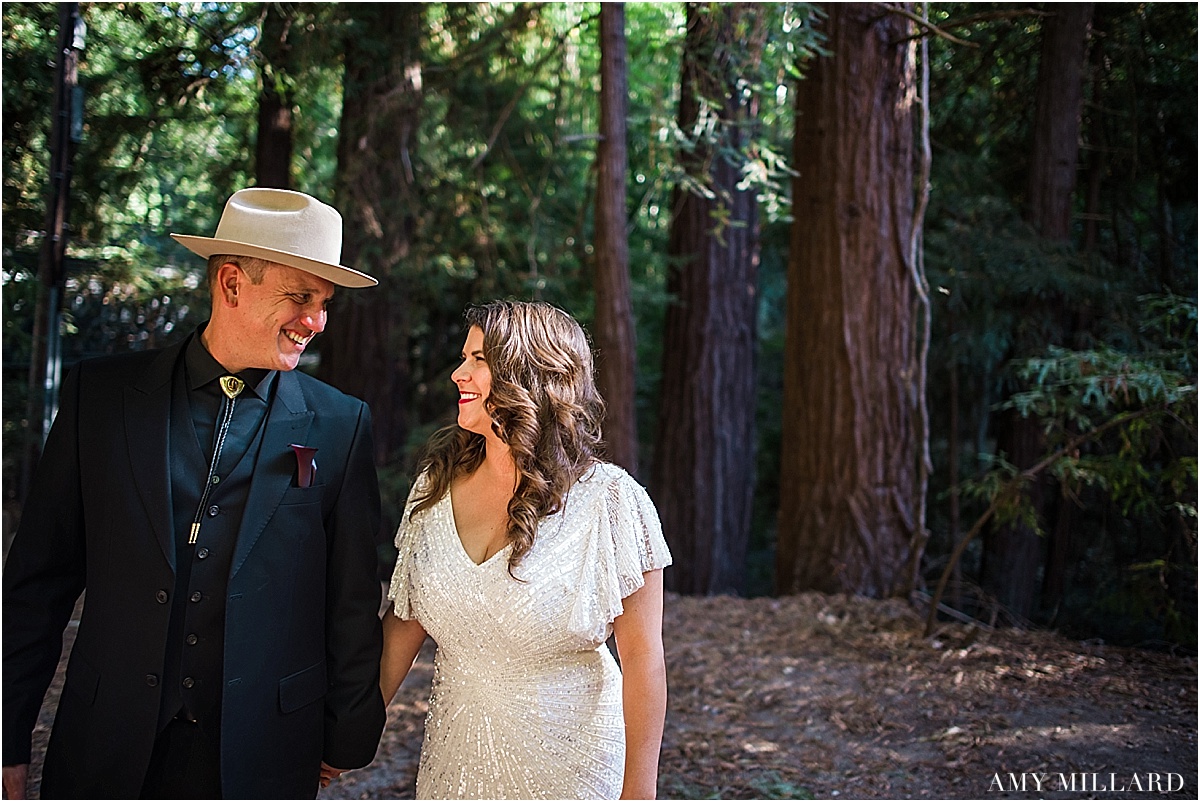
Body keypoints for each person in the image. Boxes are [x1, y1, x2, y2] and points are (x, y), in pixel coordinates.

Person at [2, 188, 387, 799]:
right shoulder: (98, 399)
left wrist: (345, 734)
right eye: (300, 297)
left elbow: (351, 598)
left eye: (324, 303)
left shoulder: (341, 425)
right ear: (232, 285)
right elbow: (36, 582)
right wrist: (7, 738)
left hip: (261, 757)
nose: (316, 321)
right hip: (104, 747)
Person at [380, 300, 671, 800]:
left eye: (477, 360)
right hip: (456, 766)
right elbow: (402, 627)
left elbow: (644, 659)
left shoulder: (612, 502)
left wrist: (638, 793)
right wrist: (347, 734)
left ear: (527, 375)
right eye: (462, 357)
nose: (457, 374)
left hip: (573, 768)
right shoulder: (434, 488)